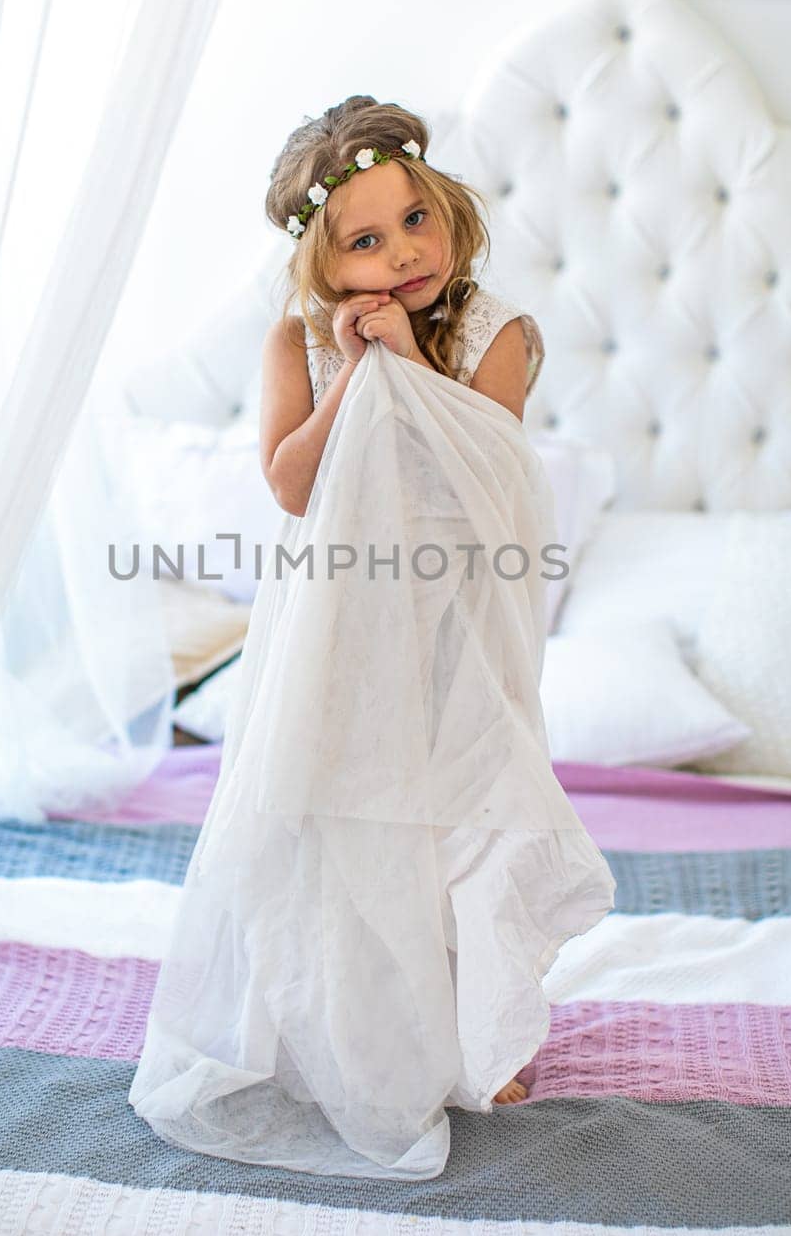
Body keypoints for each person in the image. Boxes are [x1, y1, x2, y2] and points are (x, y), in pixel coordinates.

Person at [128, 96, 616, 1181]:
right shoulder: (295, 340)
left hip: (455, 622)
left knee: (466, 822)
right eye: (364, 240)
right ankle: (338, 1027)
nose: (401, 255)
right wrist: (358, 370)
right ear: (321, 262)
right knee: (340, 819)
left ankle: (477, 1036)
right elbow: (295, 485)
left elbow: (482, 478)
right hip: (340, 625)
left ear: (445, 214)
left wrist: (411, 366)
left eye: (414, 223)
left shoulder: (500, 336)